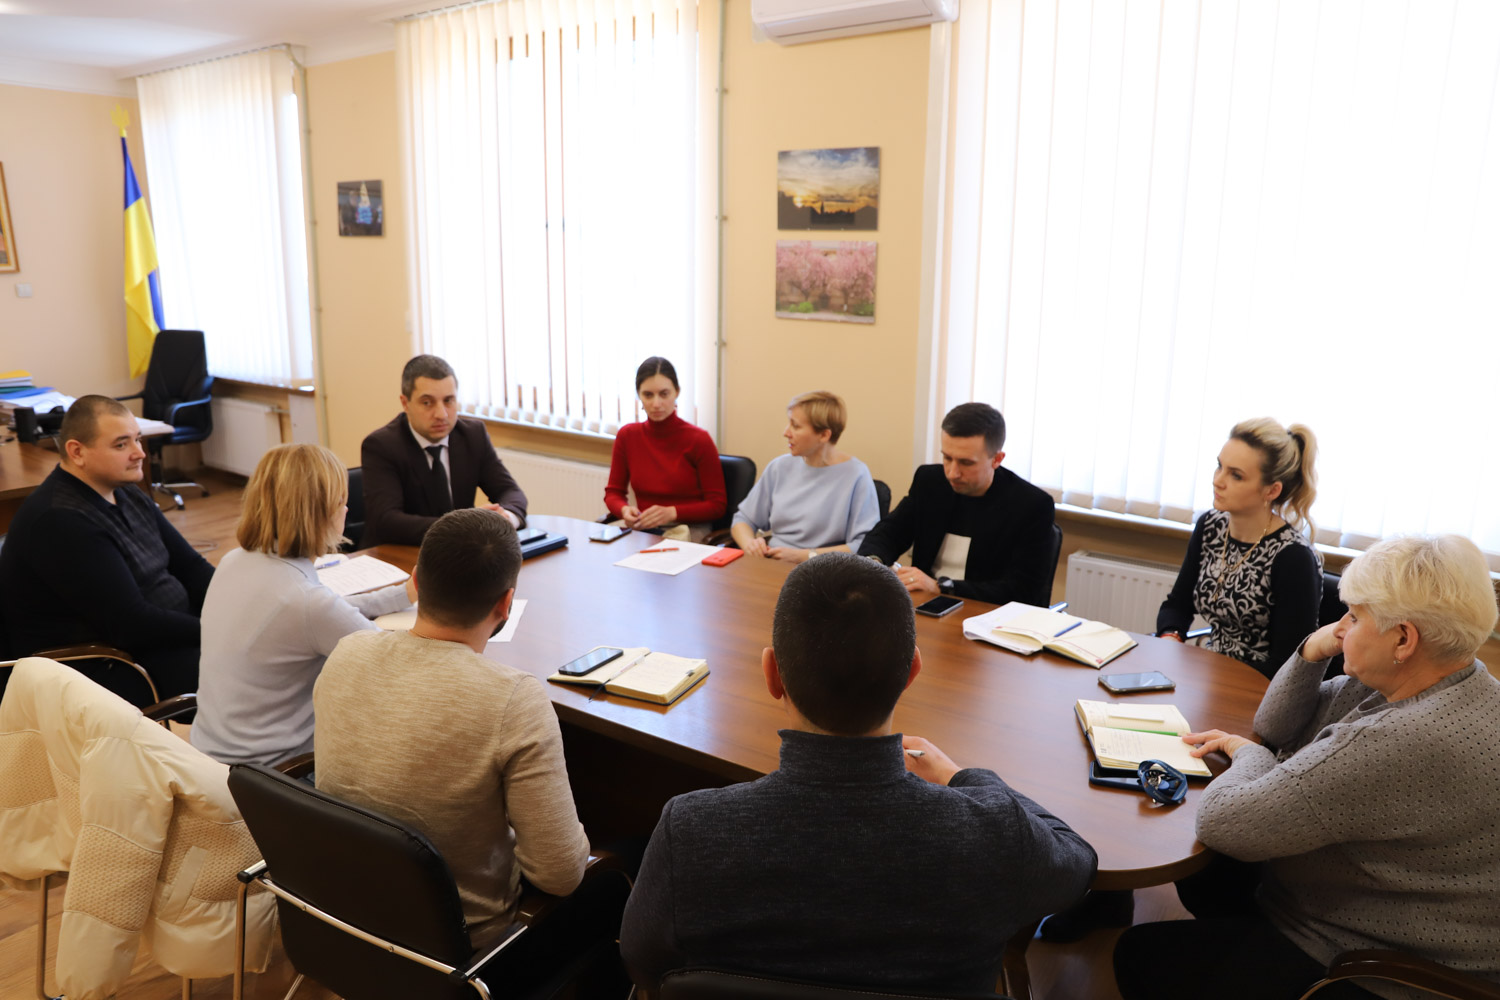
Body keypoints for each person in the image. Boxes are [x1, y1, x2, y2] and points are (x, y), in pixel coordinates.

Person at [619, 552, 1096, 993]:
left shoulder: (691, 830)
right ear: (911, 672)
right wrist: (966, 778)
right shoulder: (991, 834)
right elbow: (1078, 863)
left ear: (772, 674)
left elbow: (644, 964)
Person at [1115, 534, 1500, 1000]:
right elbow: (1276, 725)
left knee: (1139, 953)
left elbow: (1222, 820)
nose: (1341, 627)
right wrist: (1312, 650)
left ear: (1403, 638)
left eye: (1354, 616)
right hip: (1408, 915)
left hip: (1379, 967)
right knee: (1211, 874)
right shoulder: (1455, 683)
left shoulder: (1396, 740)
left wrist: (1249, 755)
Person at [314, 509, 624, 992]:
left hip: (341, 924)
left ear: (416, 584)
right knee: (625, 861)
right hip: (469, 959)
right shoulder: (513, 698)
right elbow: (560, 875)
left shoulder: (347, 651)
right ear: (506, 603)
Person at [190, 444, 413, 767]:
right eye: (341, 501)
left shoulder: (234, 561)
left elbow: (329, 612)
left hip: (209, 756)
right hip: (277, 773)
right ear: (321, 512)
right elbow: (396, 664)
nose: (347, 509)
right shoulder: (305, 602)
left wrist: (403, 593)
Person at [0, 395, 212, 701]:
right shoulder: (61, 520)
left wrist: (233, 608)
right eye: (121, 444)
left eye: (137, 439)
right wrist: (214, 630)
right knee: (253, 673)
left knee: (261, 651)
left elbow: (190, 566)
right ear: (77, 452)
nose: (139, 453)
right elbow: (132, 624)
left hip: (155, 640)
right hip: (105, 665)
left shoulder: (125, 491)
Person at [1157, 417, 1322, 679]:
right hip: (1208, 675)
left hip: (1260, 687)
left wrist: (1205, 670)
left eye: (1236, 475)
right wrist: (1171, 637)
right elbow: (1178, 604)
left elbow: (1287, 665)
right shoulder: (1210, 526)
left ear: (1271, 491)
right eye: (1219, 466)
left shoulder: (1293, 557)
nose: (1218, 481)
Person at [858, 402, 1055, 605]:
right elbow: (889, 533)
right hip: (925, 606)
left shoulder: (1032, 505)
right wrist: (874, 564)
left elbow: (1023, 591)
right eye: (947, 458)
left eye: (966, 462)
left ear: (997, 459)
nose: (952, 473)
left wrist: (940, 586)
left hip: (987, 614)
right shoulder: (930, 482)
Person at [360, 354, 527, 548]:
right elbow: (386, 521)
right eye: (427, 403)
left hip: (459, 552)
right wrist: (464, 526)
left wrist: (506, 518)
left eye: (448, 401)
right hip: (398, 554)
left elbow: (510, 491)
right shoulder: (381, 446)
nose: (441, 414)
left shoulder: (473, 436)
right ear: (405, 403)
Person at [729, 390, 880, 562]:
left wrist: (804, 556)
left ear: (824, 435)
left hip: (825, 569)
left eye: (796, 426)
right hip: (773, 563)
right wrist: (750, 544)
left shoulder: (857, 475)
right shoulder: (779, 467)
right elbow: (743, 520)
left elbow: (863, 545)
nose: (786, 432)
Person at [604, 356, 726, 541]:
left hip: (689, 529)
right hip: (644, 527)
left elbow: (717, 505)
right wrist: (624, 510)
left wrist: (672, 512)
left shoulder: (699, 440)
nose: (656, 404)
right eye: (648, 395)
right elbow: (613, 493)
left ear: (677, 392)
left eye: (664, 394)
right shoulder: (627, 436)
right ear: (639, 395)